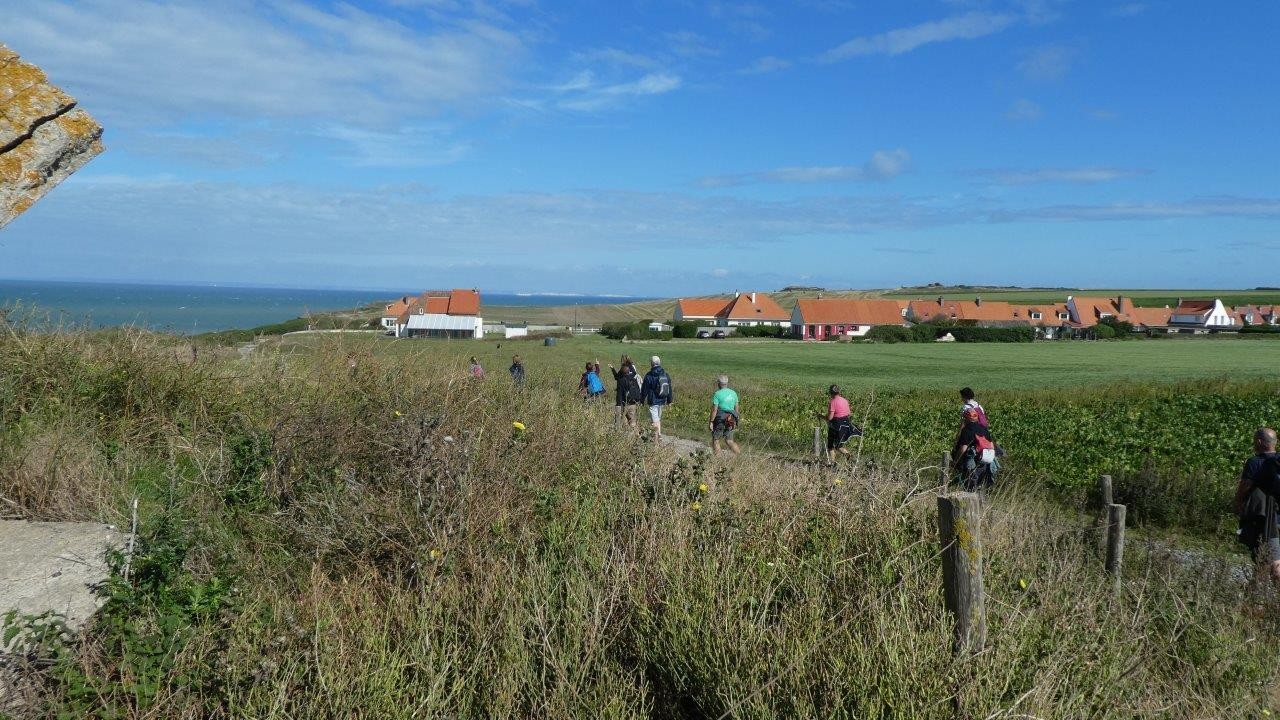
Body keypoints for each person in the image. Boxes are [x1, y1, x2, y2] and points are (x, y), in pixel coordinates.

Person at [1234, 427, 1280, 589]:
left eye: (1255, 440)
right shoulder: (1278, 462)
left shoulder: (1255, 462)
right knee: (1274, 557)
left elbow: (1245, 486)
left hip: (1264, 518)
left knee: (1265, 558)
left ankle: (1258, 602)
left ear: (1260, 442)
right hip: (1277, 517)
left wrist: (1237, 503)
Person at [952, 407, 997, 491]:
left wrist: (956, 461)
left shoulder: (966, 430)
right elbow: (991, 446)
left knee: (970, 488)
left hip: (972, 464)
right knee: (981, 488)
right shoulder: (984, 429)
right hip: (986, 463)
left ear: (966, 418)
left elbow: (963, 448)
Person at [640, 355, 674, 437]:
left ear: (651, 364)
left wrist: (641, 400)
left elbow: (644, 390)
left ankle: (657, 436)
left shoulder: (649, 375)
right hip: (662, 400)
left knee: (655, 420)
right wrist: (669, 400)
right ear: (659, 363)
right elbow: (669, 388)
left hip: (653, 400)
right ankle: (658, 435)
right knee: (657, 419)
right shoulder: (666, 374)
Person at [708, 375, 742, 456]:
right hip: (731, 419)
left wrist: (711, 421)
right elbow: (736, 407)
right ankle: (739, 456)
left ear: (719, 384)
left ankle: (718, 459)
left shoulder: (717, 394)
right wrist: (736, 418)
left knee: (716, 439)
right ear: (727, 383)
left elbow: (714, 410)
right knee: (729, 440)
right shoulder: (733, 393)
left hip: (720, 418)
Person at [825, 384, 859, 464]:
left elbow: (830, 418)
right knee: (839, 446)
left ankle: (832, 463)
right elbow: (848, 413)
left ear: (830, 392)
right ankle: (849, 457)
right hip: (846, 425)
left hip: (836, 426)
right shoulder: (845, 400)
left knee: (831, 446)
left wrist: (821, 416)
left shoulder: (832, 402)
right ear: (838, 392)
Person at [609, 355, 642, 429]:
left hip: (625, 400)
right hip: (634, 399)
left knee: (623, 416)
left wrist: (612, 369)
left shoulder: (622, 373)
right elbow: (635, 375)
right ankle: (635, 432)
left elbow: (617, 377)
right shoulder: (633, 371)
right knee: (632, 417)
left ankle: (627, 432)